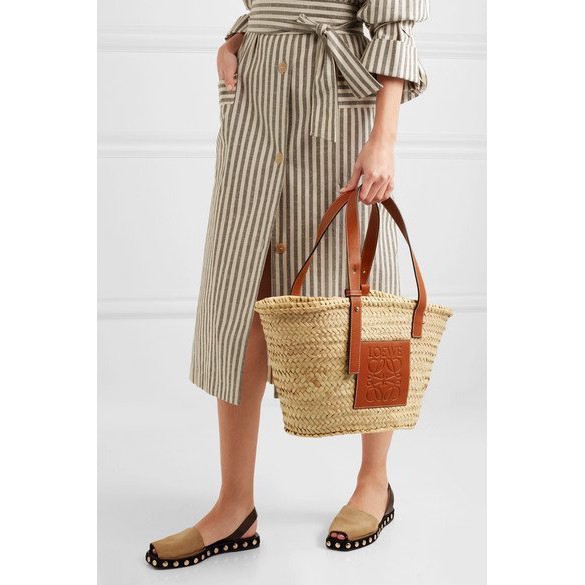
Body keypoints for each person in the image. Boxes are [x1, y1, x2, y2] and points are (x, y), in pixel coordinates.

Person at [146, 0, 428, 569]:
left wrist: (384, 137)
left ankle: (374, 482)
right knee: (241, 288)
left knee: (366, 295)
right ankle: (234, 506)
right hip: (255, 102)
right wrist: (236, 38)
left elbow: (394, 24)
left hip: (335, 105)